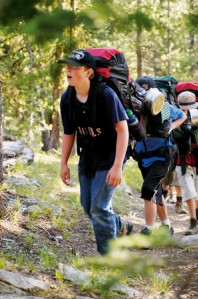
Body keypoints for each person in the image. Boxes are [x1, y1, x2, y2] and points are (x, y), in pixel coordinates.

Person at [59, 49, 133, 255]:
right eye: (67, 67)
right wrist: (63, 163)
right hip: (88, 157)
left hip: (111, 156)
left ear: (88, 72)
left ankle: (108, 257)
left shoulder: (105, 95)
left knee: (99, 207)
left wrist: (117, 166)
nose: (68, 71)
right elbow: (68, 132)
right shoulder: (67, 98)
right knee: (87, 205)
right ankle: (119, 225)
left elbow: (122, 130)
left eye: (74, 67)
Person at [133, 76, 186, 235]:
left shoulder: (164, 106)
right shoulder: (136, 106)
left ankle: (148, 230)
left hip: (162, 155)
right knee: (156, 192)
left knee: (148, 189)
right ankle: (166, 226)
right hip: (144, 155)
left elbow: (182, 116)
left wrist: (170, 128)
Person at [172, 91, 198, 235]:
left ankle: (197, 220)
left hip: (197, 158)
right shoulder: (174, 115)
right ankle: (192, 221)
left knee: (197, 191)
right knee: (189, 190)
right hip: (182, 159)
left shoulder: (197, 116)